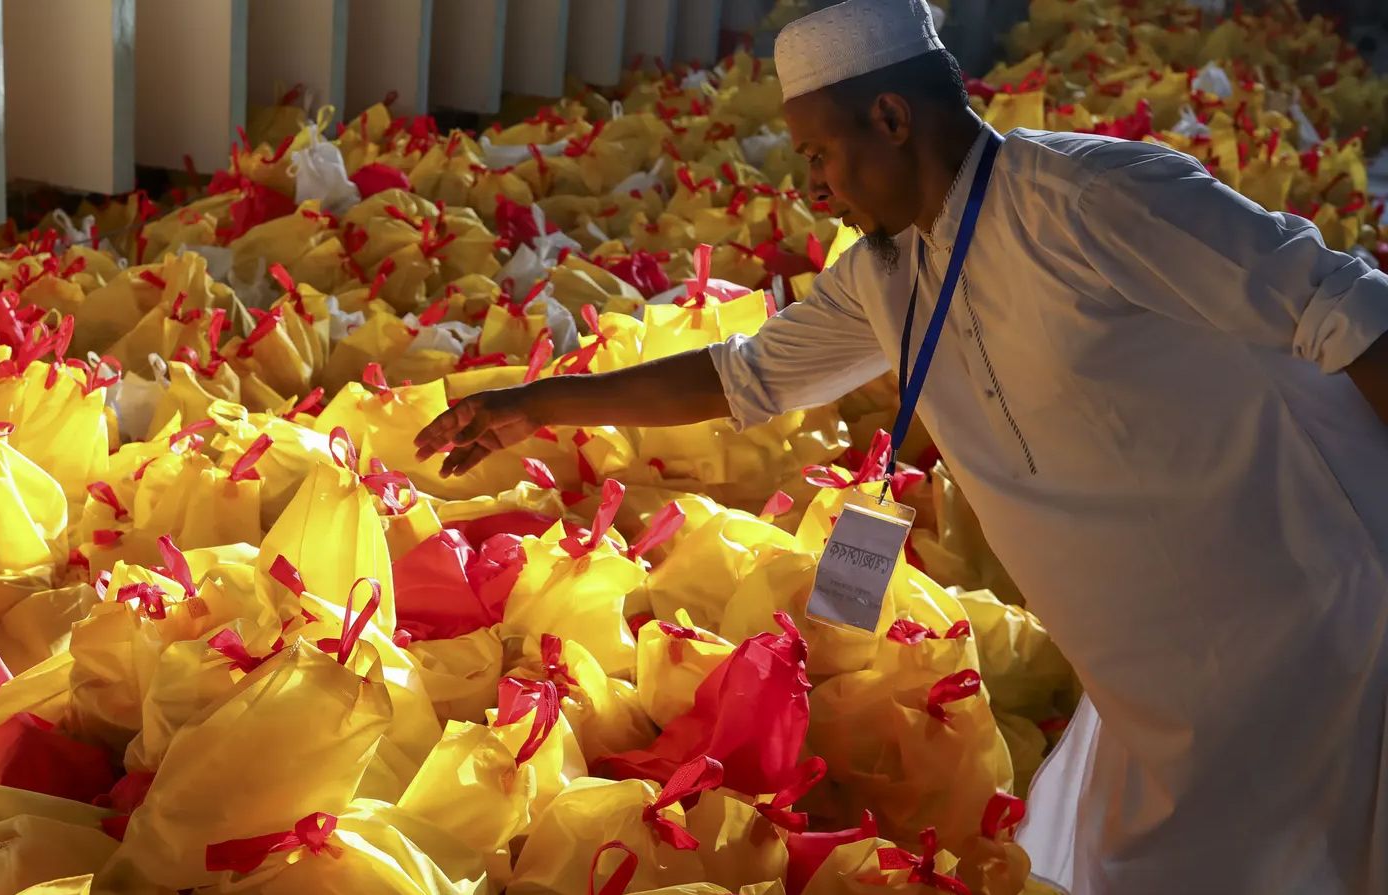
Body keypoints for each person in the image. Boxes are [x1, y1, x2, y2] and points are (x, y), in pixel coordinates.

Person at [414, 0, 1388, 891]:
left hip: (1313, 626)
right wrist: (538, 404)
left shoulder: (1090, 196)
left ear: (889, 119)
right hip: (1160, 684)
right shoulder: (889, 275)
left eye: (820, 156)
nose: (817, 186)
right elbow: (743, 377)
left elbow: (1347, 308)